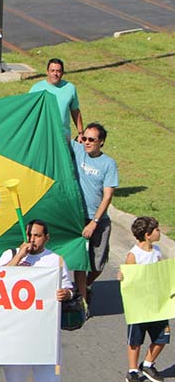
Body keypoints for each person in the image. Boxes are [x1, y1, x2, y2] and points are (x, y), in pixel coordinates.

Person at [0, 219, 75, 382]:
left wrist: (66, 293)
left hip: (45, 333)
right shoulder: (10, 255)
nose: (32, 240)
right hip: (16, 333)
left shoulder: (56, 260)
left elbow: (70, 288)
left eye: (38, 236)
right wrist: (19, 257)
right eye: (30, 235)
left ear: (46, 238)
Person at [71, 123, 118, 301]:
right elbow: (60, 132)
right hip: (78, 218)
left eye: (92, 139)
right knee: (80, 261)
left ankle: (86, 285)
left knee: (98, 264)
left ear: (101, 142)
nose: (87, 142)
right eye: (84, 138)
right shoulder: (78, 150)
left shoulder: (108, 164)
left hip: (98, 221)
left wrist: (94, 222)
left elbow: (107, 196)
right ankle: (81, 299)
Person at [119, 216, 166, 382]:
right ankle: (132, 370)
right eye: (157, 230)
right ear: (147, 235)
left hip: (157, 304)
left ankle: (147, 364)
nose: (160, 232)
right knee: (136, 340)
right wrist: (122, 276)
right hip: (139, 305)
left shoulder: (157, 251)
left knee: (163, 337)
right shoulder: (134, 255)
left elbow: (162, 271)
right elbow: (128, 278)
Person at [29, 58, 82, 140]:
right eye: (52, 70)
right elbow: (29, 111)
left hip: (63, 136)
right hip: (42, 135)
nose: (55, 74)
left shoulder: (70, 88)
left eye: (58, 71)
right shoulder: (36, 88)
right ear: (47, 72)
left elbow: (75, 111)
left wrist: (81, 133)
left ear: (62, 73)